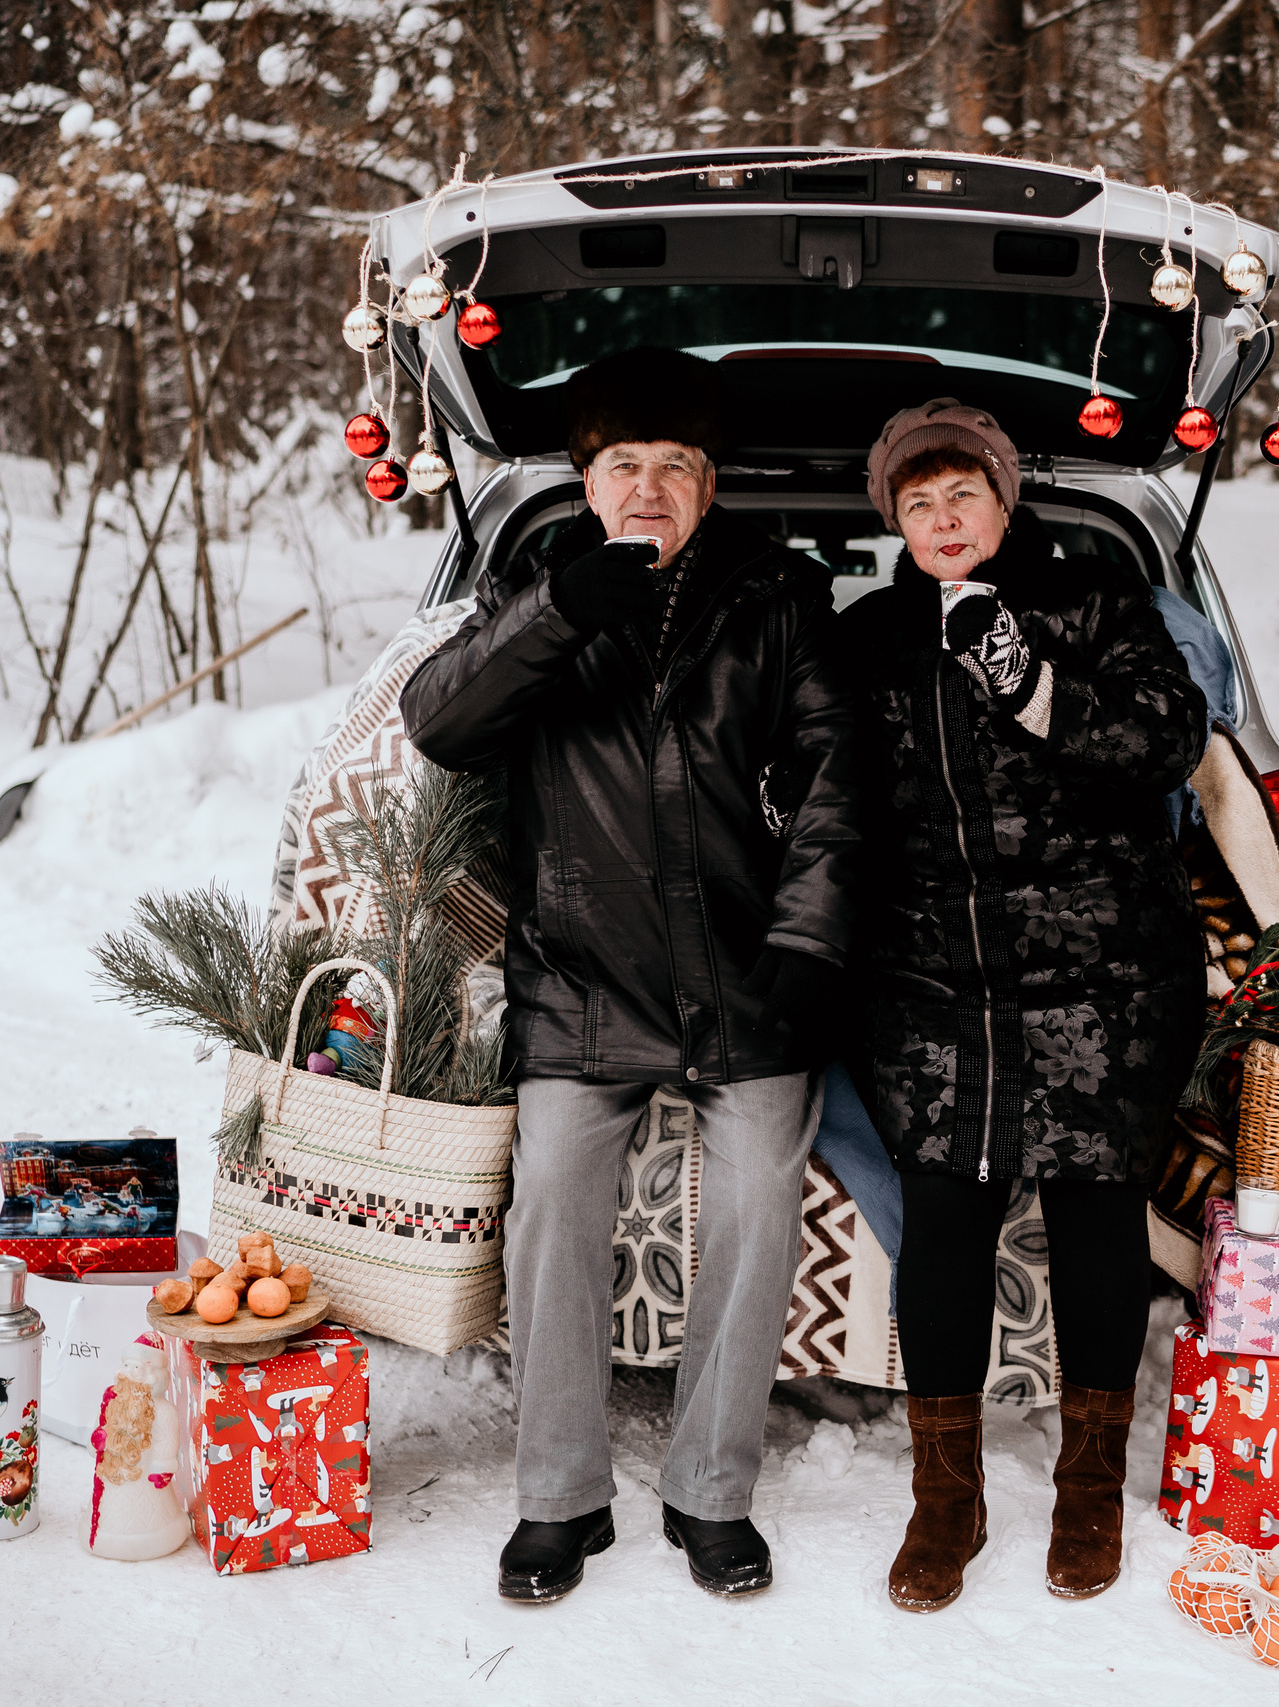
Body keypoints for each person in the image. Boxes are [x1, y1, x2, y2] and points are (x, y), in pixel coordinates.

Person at [399, 348, 858, 1604]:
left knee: (759, 1205)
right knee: (549, 1201)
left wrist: (807, 947)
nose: (647, 490)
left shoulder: (778, 600)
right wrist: (559, 615)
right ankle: (561, 1500)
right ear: (587, 482)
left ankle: (712, 1494)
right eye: (622, 467)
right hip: (581, 980)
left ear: (709, 488)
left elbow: (834, 786)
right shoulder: (538, 596)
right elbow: (436, 722)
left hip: (744, 977)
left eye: (672, 469)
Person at [838, 398, 1209, 1611]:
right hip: (934, 984)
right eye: (918, 502)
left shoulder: (1101, 607)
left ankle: (1088, 1493)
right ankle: (944, 1502)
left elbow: (1168, 741)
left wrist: (1033, 683)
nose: (943, 521)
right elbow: (832, 786)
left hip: (1102, 978)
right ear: (895, 517)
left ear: (1005, 503)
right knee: (944, 1226)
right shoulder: (876, 637)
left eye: (964, 496)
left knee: (1097, 1222)